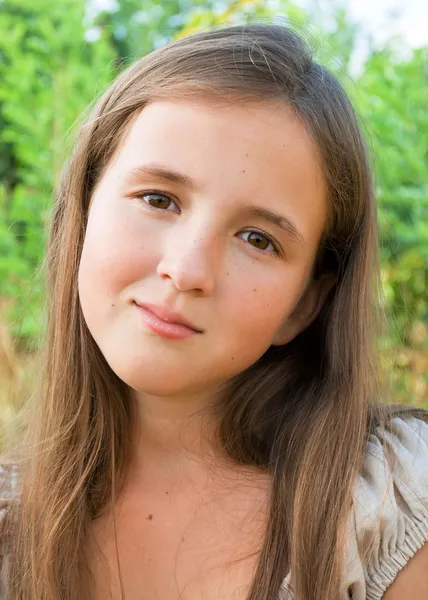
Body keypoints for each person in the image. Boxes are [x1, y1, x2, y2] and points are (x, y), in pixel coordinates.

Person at [0, 23, 427, 600]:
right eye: (158, 199)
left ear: (304, 304)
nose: (188, 270)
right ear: (82, 211)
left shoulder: (392, 510)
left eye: (257, 239)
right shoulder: (10, 529)